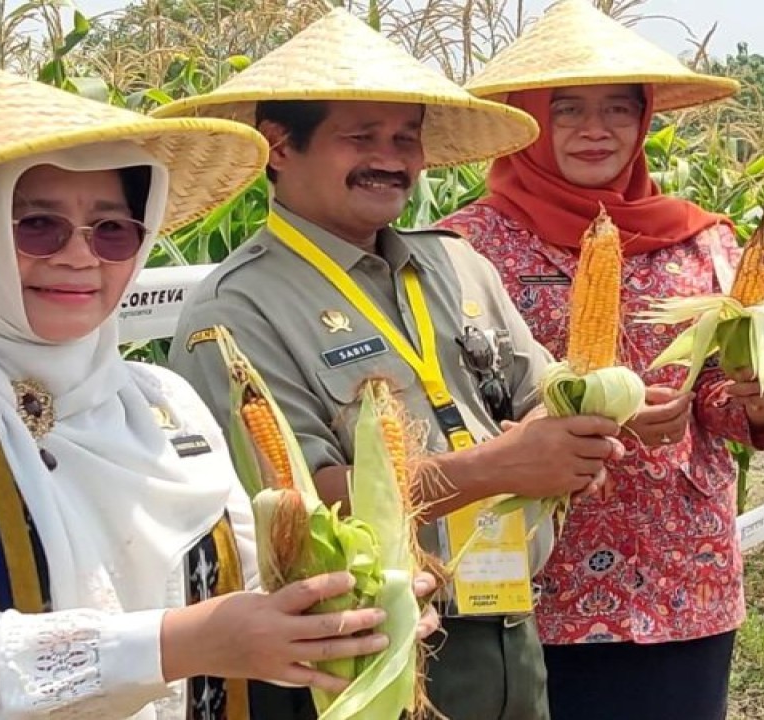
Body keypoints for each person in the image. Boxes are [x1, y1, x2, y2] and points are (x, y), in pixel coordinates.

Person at [0, 63, 437, 720]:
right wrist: (183, 643)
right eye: (36, 225)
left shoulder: (161, 401)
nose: (81, 256)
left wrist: (354, 601)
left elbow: (262, 583)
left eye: (113, 229)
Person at [155, 9, 624, 720]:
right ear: (279, 147)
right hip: (362, 653)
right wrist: (497, 468)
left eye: (406, 138)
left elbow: (536, 396)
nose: (393, 158)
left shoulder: (457, 263)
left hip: (509, 626)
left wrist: (577, 433)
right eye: (361, 137)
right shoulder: (235, 311)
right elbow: (297, 505)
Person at [434, 2, 764, 719]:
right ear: (531, 120)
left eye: (617, 109)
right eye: (566, 109)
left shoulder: (703, 242)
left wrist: (761, 399)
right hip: (529, 580)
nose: (594, 129)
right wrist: (590, 419)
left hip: (680, 576)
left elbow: (720, 404)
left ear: (644, 121)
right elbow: (451, 400)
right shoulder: (462, 248)